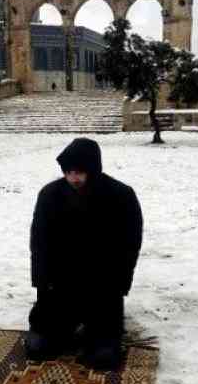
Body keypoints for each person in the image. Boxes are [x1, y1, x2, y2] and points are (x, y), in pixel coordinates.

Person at [27, 138, 143, 370]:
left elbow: (130, 243)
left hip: (101, 283)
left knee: (103, 358)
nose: (74, 178)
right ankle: (57, 326)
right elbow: (39, 241)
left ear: (93, 169)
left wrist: (120, 282)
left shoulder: (121, 195)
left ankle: (102, 334)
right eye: (69, 172)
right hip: (60, 282)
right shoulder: (49, 195)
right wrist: (42, 281)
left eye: (80, 172)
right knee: (39, 349)